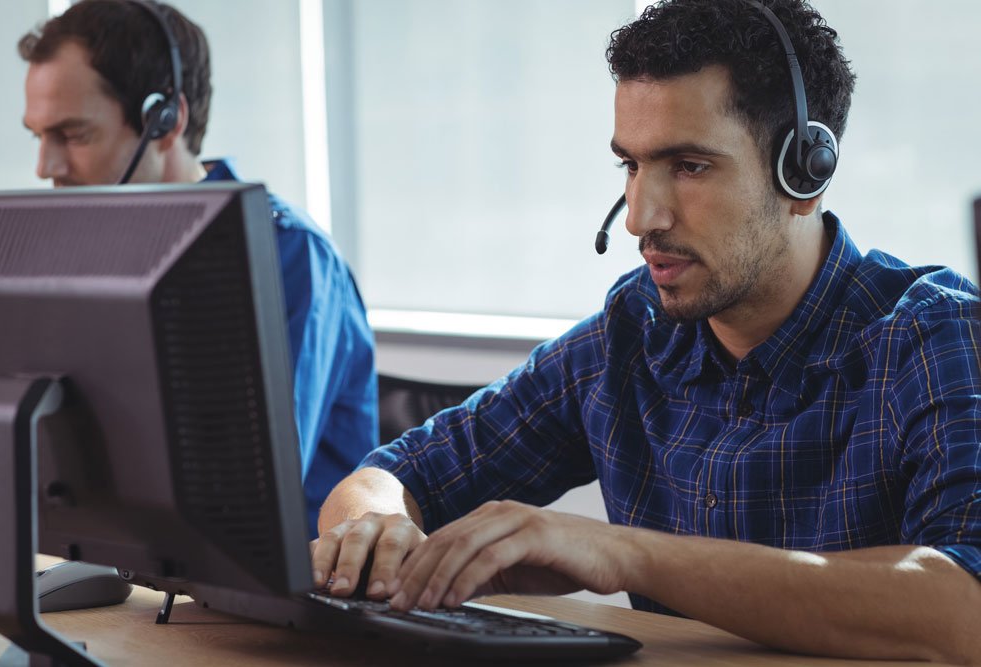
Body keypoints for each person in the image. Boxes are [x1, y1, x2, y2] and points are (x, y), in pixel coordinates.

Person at [313, 0, 981, 662]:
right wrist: (377, 532)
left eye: (689, 166)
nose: (639, 216)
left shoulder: (932, 335)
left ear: (804, 172)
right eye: (630, 166)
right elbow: (389, 475)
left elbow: (964, 607)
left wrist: (625, 553)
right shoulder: (634, 331)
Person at [19, 0, 378, 539]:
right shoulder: (93, 253)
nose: (45, 168)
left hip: (284, 596)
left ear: (166, 122)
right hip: (136, 577)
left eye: (72, 135)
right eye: (38, 136)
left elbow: (246, 492)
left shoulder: (285, 256)